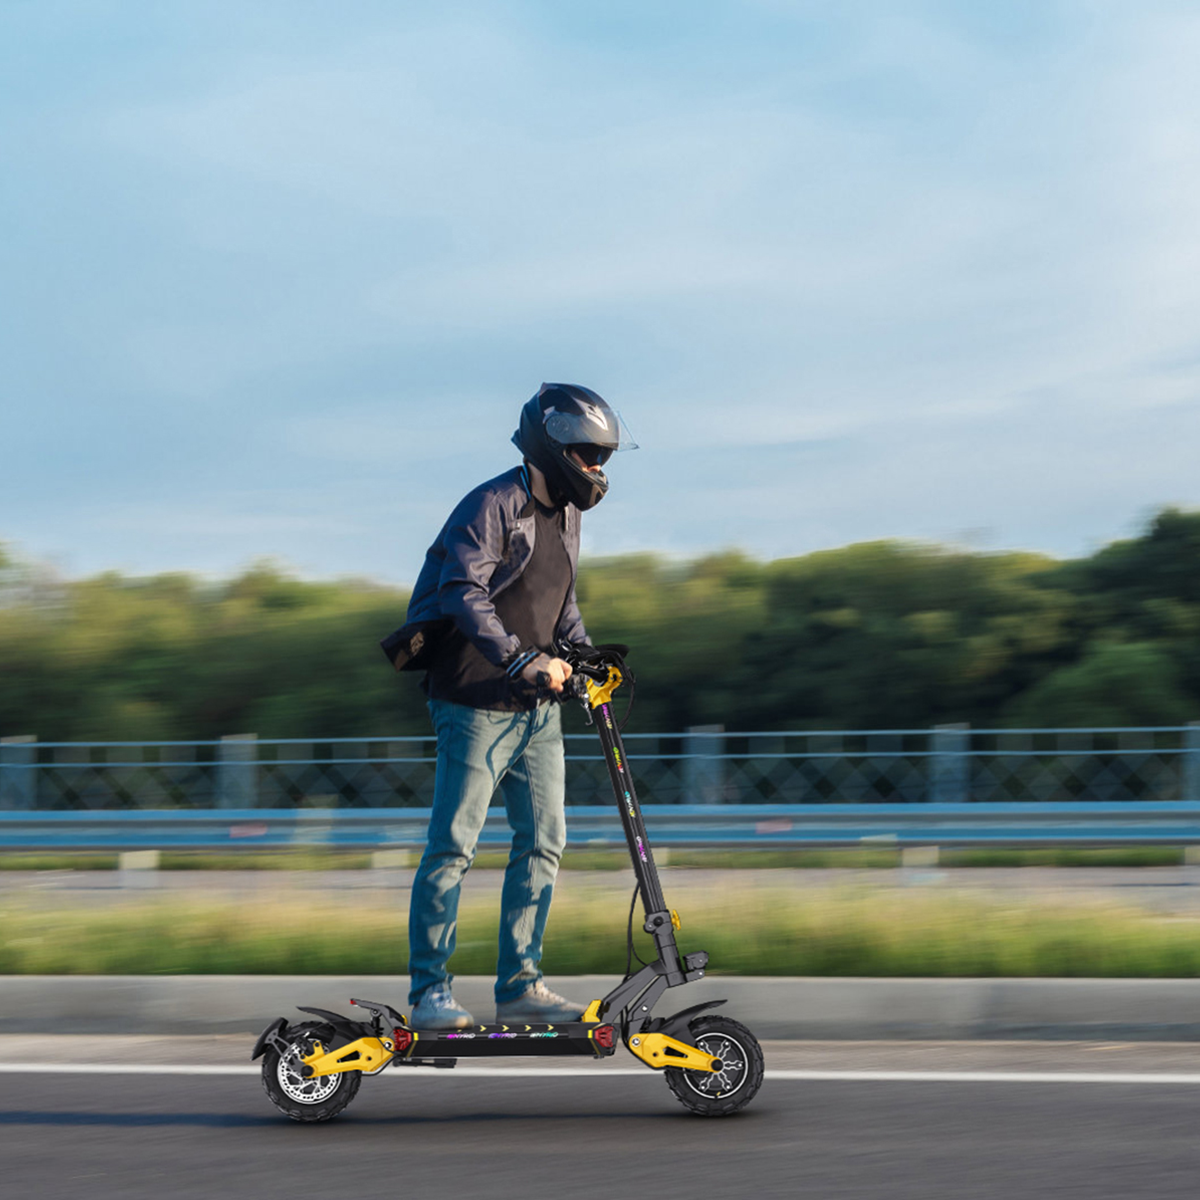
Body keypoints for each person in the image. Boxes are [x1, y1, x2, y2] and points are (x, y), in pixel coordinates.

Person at [382, 383, 636, 1029]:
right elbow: (464, 592)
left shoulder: (567, 516)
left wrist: (585, 658)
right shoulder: (493, 503)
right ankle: (430, 994)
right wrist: (522, 659)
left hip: (537, 709)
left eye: (602, 455)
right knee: (454, 848)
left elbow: (558, 602)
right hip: (474, 700)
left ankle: (521, 985)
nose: (597, 467)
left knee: (544, 842)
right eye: (586, 453)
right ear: (551, 446)